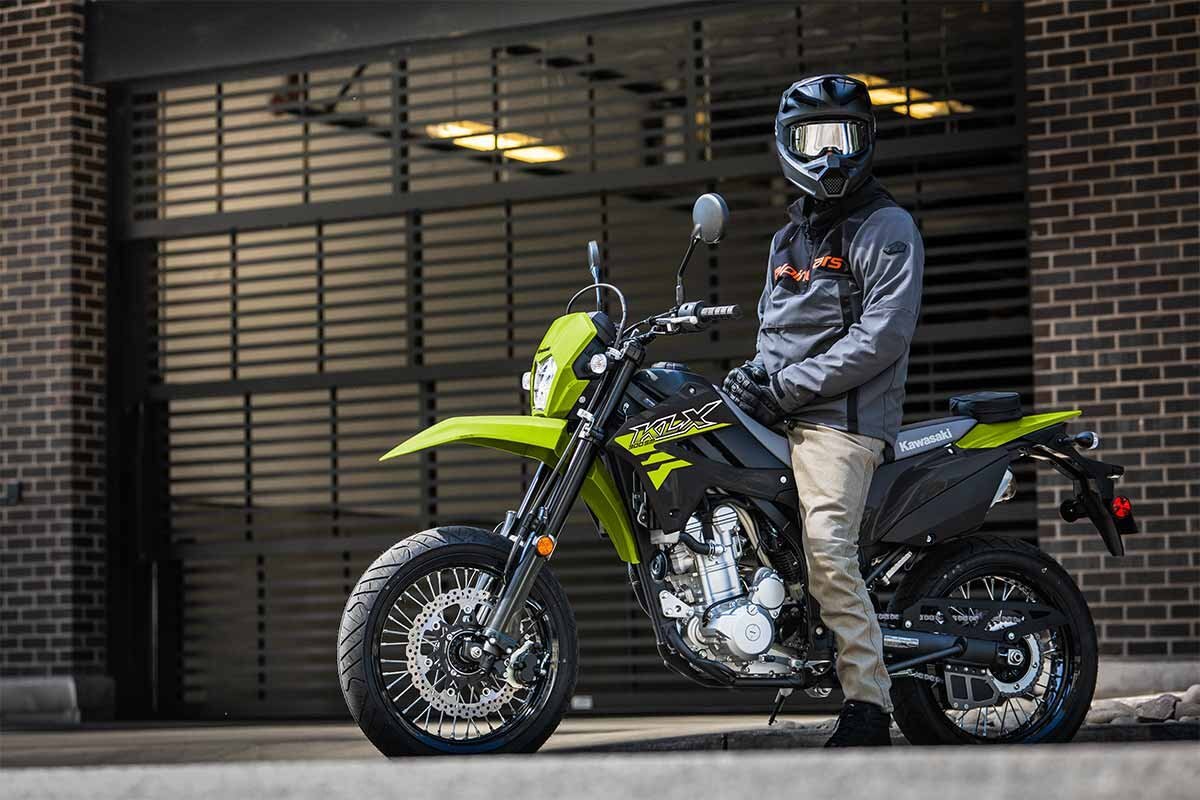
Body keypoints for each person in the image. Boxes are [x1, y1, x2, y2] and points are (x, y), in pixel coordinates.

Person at [723, 74, 924, 747]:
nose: (831, 154)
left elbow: (882, 336)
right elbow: (775, 334)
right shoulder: (788, 240)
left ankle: (868, 704)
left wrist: (786, 388)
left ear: (867, 141)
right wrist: (753, 377)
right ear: (789, 145)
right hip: (785, 412)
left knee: (828, 553)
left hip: (842, 425)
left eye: (845, 136)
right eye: (815, 139)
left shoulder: (886, 226)